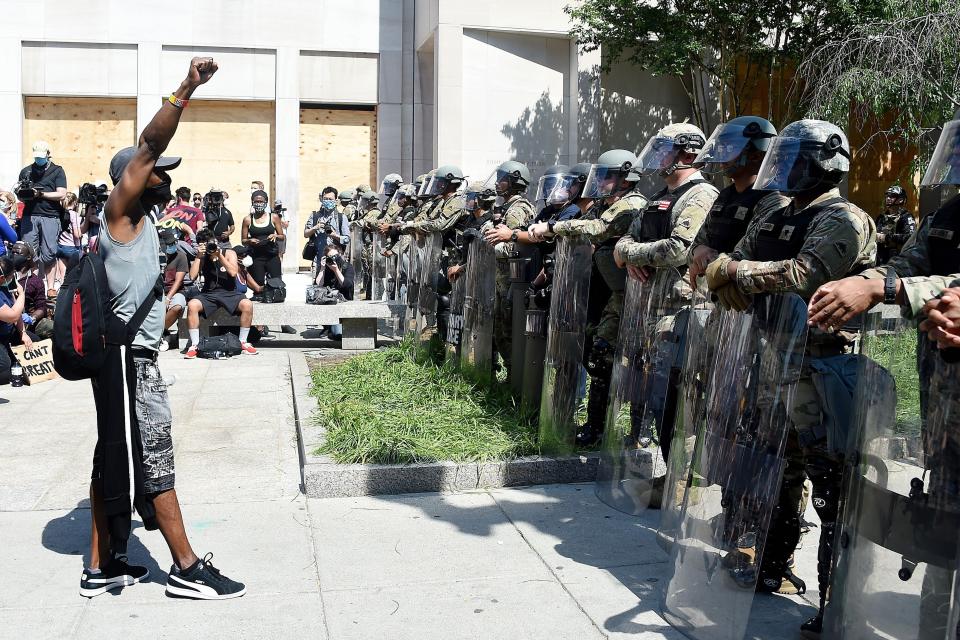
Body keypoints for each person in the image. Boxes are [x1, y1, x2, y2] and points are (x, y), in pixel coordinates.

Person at [704, 119, 875, 636]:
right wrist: (729, 270)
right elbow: (738, 256)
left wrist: (735, 275)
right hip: (769, 358)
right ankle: (773, 568)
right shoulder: (778, 210)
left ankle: (836, 602)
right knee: (775, 472)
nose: (785, 168)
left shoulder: (844, 217)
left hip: (819, 369)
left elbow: (805, 273)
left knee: (831, 487)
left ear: (825, 162)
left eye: (796, 159)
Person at [90, 56, 245, 600]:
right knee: (155, 453)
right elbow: (150, 144)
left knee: (111, 452)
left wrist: (167, 304)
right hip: (133, 362)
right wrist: (186, 87)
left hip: (129, 355)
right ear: (132, 177)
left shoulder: (144, 225)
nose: (167, 175)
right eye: (159, 169)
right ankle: (185, 566)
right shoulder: (121, 212)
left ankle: (101, 564)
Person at [478, 161, 536, 379]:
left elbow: (517, 246)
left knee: (508, 331)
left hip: (512, 279)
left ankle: (515, 377)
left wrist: (495, 242)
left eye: (502, 179)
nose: (498, 183)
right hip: (501, 279)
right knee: (501, 330)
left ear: (514, 181)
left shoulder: (518, 209)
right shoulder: (505, 208)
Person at [16, 141, 67, 289]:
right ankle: (35, 286)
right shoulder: (26, 171)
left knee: (49, 252)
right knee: (29, 252)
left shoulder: (57, 171)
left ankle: (51, 287)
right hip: (30, 215)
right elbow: (20, 196)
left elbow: (62, 194)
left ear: (48, 154)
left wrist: (41, 194)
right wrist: (24, 194)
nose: (39, 160)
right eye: (36, 157)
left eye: (41, 157)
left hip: (50, 215)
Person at [0, 256, 38, 384]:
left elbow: (17, 312)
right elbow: (13, 315)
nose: (13, 278)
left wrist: (23, 333)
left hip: (9, 332)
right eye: (11, 276)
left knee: (35, 343)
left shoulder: (6, 285)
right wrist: (21, 294)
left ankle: (12, 356)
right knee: (5, 373)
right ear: (2, 278)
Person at [241, 189, 284, 290]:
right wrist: (249, 241)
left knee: (276, 282)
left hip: (271, 255)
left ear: (266, 203)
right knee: (258, 282)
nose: (259, 204)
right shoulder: (248, 219)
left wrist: (275, 236)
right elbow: (243, 240)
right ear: (252, 202)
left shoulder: (273, 217)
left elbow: (282, 237)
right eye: (256, 201)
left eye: (261, 201)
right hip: (256, 255)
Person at [10, 242, 52, 339]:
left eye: (17, 253)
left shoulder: (36, 281)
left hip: (27, 321)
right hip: (8, 318)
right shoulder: (7, 275)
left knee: (50, 328)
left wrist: (31, 318)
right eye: (12, 252)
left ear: (28, 257)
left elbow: (41, 307)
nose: (14, 255)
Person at [304, 187, 350, 270]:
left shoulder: (341, 218)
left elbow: (347, 239)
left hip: (336, 262)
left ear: (336, 201)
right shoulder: (314, 216)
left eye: (330, 199)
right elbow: (306, 234)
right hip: (318, 260)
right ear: (322, 199)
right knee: (318, 282)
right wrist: (315, 228)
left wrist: (334, 235)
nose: (328, 201)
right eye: (325, 199)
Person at [316, 244, 356, 339]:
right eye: (330, 257)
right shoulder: (324, 268)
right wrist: (322, 269)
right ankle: (328, 326)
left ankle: (331, 328)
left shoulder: (347, 267)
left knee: (338, 335)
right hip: (328, 305)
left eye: (335, 256)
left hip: (343, 305)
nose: (333, 259)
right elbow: (318, 285)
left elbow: (347, 285)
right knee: (337, 333)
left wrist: (336, 270)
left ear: (340, 254)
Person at [158, 229, 189, 351]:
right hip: (158, 291)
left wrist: (168, 297)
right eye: (169, 244)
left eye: (173, 243)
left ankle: (159, 333)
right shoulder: (155, 256)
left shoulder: (181, 256)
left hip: (176, 291)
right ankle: (164, 334)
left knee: (177, 306)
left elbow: (178, 281)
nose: (172, 246)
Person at [874, 184, 916, 265]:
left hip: (897, 261)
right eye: (887, 196)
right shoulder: (881, 217)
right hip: (879, 259)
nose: (888, 198)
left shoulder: (906, 217)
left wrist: (886, 237)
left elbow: (910, 237)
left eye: (892, 196)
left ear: (900, 200)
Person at [54, 192, 87, 293]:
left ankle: (62, 293)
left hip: (60, 246)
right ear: (75, 202)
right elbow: (77, 235)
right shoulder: (75, 215)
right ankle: (72, 295)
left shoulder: (60, 214)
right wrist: (82, 235)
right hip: (73, 248)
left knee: (63, 276)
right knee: (74, 275)